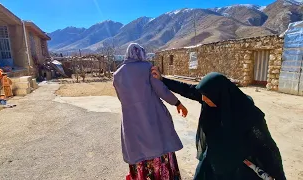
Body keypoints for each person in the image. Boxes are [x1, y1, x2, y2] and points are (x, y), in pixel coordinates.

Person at [151, 68, 286, 180]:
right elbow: (187, 89)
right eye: (202, 95)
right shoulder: (211, 98)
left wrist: (277, 174)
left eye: (206, 96)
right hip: (211, 157)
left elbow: (265, 144)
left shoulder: (246, 111)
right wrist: (163, 80)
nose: (202, 98)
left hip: (235, 165)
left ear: (219, 94)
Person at [113, 43, 188, 180]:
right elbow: (161, 90)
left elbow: (121, 98)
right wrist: (177, 103)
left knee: (139, 155)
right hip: (153, 120)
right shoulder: (147, 68)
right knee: (159, 150)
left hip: (131, 125)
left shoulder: (117, 74)